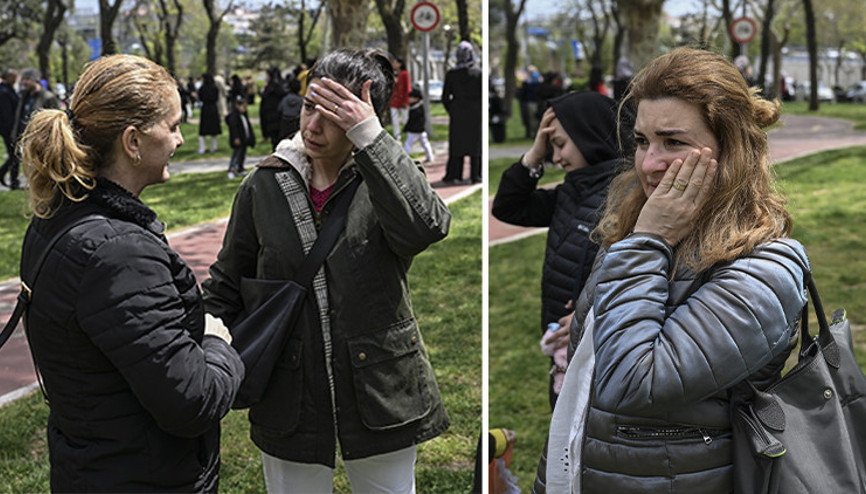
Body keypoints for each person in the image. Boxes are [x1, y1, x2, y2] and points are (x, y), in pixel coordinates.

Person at [537, 47, 810, 493]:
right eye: (642, 141)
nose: (649, 163)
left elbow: (632, 383)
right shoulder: (638, 231)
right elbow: (583, 398)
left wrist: (649, 239)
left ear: (731, 149)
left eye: (673, 142)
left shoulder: (765, 271)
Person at [201, 48, 451, 493]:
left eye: (333, 115)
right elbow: (227, 283)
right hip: (289, 392)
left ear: (361, 117)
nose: (313, 125)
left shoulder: (386, 180)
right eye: (309, 107)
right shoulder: (264, 184)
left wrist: (372, 137)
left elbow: (426, 228)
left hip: (381, 390)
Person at [17, 54, 243, 492]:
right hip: (140, 477)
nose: (179, 139)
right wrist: (217, 344)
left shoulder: (57, 215)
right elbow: (190, 402)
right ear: (133, 141)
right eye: (173, 126)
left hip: (93, 467)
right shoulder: (119, 253)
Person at [492, 92, 625, 410]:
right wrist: (533, 156)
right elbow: (508, 207)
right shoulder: (572, 191)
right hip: (564, 350)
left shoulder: (624, 198)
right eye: (550, 148)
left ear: (589, 136)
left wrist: (587, 319)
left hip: (599, 352)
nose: (555, 157)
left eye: (560, 145)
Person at [1, 68, 60, 189]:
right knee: (28, 168)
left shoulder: (47, 97)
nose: (24, 82)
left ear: (35, 80)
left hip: (41, 140)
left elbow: (57, 120)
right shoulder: (23, 96)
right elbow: (18, 117)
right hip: (24, 138)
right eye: (23, 79)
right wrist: (14, 134)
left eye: (27, 79)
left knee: (42, 170)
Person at [442, 41, 482, 184]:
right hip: (476, 113)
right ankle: (475, 175)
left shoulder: (452, 74)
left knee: (457, 144)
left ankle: (455, 174)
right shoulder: (479, 73)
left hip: (458, 113)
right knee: (475, 144)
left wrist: (452, 109)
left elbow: (445, 97)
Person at [226, 95, 256, 179]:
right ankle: (231, 170)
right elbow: (234, 128)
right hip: (238, 138)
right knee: (236, 155)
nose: (244, 109)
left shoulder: (243, 116)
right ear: (237, 106)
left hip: (244, 139)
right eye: (243, 106)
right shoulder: (234, 117)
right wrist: (236, 137)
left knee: (242, 154)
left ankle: (240, 168)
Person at [403, 87, 435, 163]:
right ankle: (430, 157)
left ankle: (403, 159)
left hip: (414, 131)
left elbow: (412, 120)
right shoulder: (417, 106)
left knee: (408, 144)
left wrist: (407, 128)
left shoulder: (416, 108)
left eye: (411, 97)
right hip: (421, 130)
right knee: (425, 144)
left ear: (416, 99)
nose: (409, 99)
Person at [260, 66, 287, 150]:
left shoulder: (269, 89)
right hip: (282, 119)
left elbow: (264, 107)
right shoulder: (283, 87)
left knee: (275, 143)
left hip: (271, 119)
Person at [0, 68, 18, 188]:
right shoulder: (4, 92)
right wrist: (12, 131)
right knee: (14, 155)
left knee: (14, 155)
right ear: (8, 77)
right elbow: (6, 114)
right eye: (14, 76)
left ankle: (9, 178)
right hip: (8, 129)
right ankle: (13, 181)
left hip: (9, 128)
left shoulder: (8, 89)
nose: (16, 79)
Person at [197, 73, 222, 154]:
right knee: (213, 130)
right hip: (213, 108)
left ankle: (202, 148)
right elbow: (216, 98)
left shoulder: (202, 88)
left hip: (205, 109)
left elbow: (200, 97)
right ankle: (213, 147)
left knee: (203, 130)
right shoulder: (215, 88)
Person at [388, 55, 411, 143]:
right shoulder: (394, 74)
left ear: (400, 64)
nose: (394, 64)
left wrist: (406, 101)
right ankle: (397, 136)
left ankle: (409, 135)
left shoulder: (405, 74)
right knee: (394, 119)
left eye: (395, 63)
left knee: (405, 119)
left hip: (403, 100)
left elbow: (407, 88)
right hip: (394, 101)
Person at [276, 76, 304, 142]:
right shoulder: (301, 100)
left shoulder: (285, 98)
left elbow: (280, 109)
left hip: (285, 122)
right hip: (296, 122)